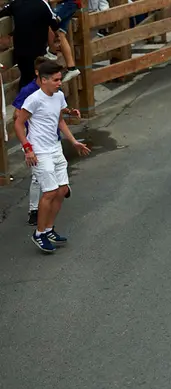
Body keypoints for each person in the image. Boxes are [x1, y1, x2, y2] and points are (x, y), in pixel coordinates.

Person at [15, 61, 91, 253]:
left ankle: (49, 229)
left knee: (62, 189)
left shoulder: (58, 96)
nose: (59, 83)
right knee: (49, 192)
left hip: (55, 149)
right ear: (43, 80)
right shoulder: (34, 99)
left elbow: (59, 122)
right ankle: (39, 233)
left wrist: (73, 142)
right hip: (39, 152)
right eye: (56, 80)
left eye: (60, 79)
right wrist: (28, 149)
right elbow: (18, 124)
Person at [0, 0, 61, 90]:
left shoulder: (16, 3)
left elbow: (3, 12)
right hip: (37, 50)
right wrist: (57, 36)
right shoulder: (42, 4)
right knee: (38, 77)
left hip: (20, 49)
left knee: (25, 76)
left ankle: (24, 100)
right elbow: (54, 23)